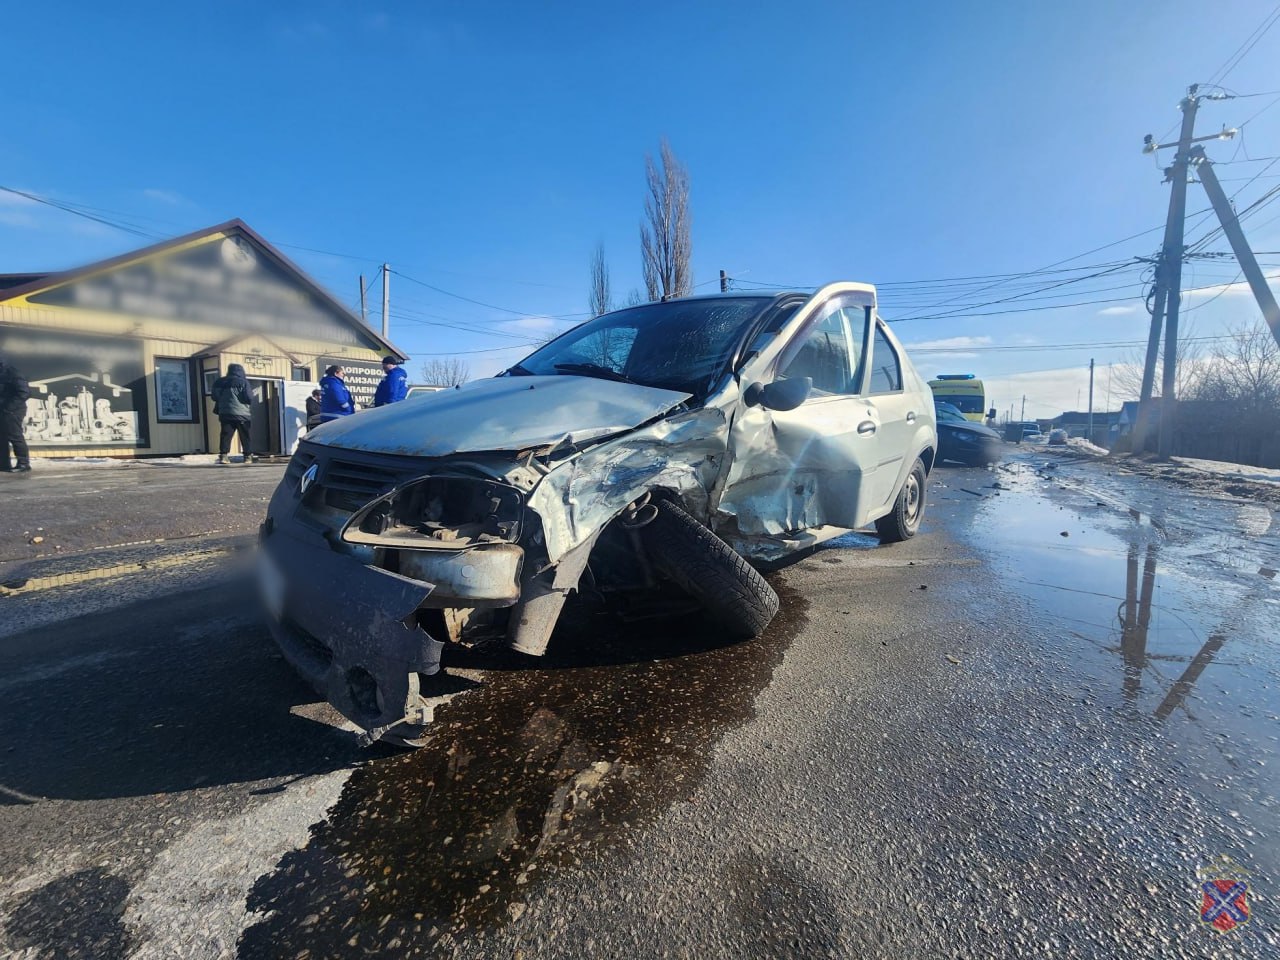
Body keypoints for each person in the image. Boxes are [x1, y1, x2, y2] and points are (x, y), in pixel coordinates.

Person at [211, 363, 253, 464]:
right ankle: (247, 456)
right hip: (242, 414)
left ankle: (223, 456)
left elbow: (214, 397)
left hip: (225, 413)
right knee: (245, 435)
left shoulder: (219, 382)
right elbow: (249, 398)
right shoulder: (243, 382)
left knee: (226, 435)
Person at [0, 353, 32, 472]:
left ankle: (23, 463)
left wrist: (9, 407)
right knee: (1, 437)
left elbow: (24, 392)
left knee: (15, 436)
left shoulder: (11, 372)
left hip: (13, 410)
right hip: (2, 409)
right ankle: (3, 464)